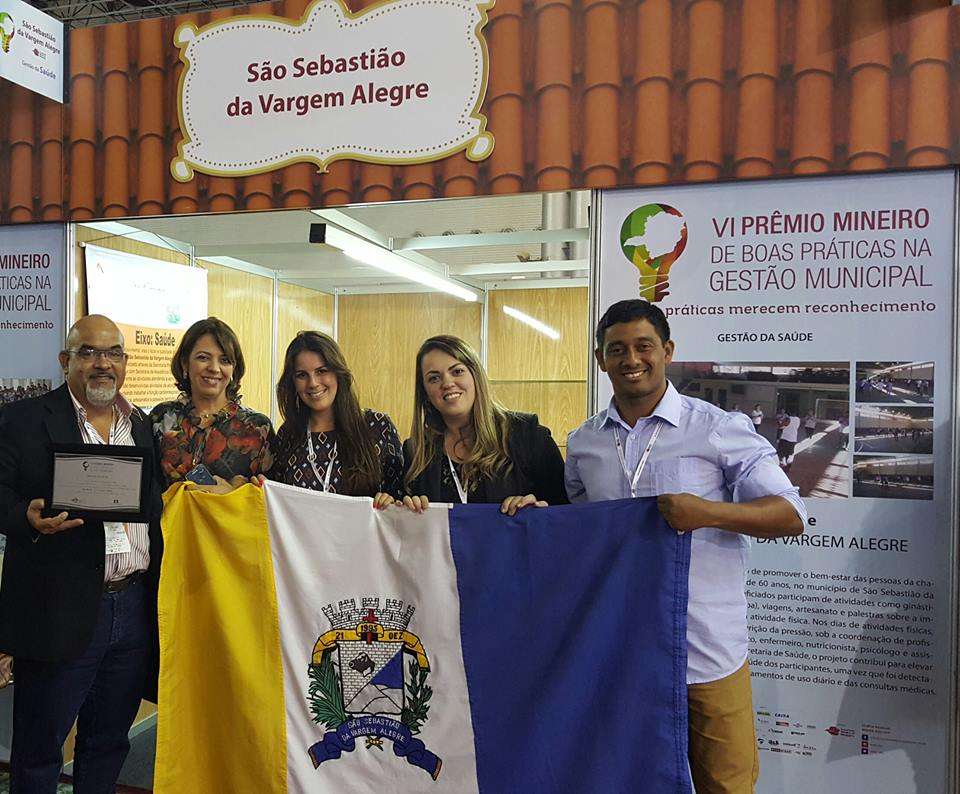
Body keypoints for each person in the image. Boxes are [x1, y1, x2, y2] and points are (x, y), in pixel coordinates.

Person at [565, 300, 805, 794]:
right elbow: (578, 528)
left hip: (706, 653)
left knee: (726, 785)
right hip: (623, 655)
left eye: (644, 346)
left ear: (667, 351)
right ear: (600, 359)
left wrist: (709, 513)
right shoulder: (584, 443)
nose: (631, 359)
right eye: (617, 349)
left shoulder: (716, 428)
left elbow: (790, 515)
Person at [0, 315, 163, 791]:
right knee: (39, 749)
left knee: (108, 743)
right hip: (58, 608)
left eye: (113, 353)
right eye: (88, 352)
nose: (102, 363)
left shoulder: (141, 424)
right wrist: (23, 516)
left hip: (132, 607)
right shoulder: (24, 419)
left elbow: (151, 501)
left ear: (125, 363)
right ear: (65, 360)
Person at [402, 335, 566, 514]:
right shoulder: (415, 451)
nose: (447, 383)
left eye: (457, 371)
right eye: (434, 378)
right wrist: (410, 511)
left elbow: (566, 512)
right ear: (425, 392)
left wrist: (539, 509)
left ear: (476, 376)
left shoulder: (529, 435)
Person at [268, 331, 403, 507]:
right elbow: (277, 502)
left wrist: (392, 501)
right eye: (302, 375)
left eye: (321, 371)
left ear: (338, 372)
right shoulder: (288, 434)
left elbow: (401, 495)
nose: (313, 383)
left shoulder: (377, 426)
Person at [150, 317, 273, 490]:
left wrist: (232, 493)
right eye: (203, 358)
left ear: (233, 368)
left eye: (225, 360)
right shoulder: (161, 417)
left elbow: (271, 499)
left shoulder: (257, 428)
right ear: (185, 363)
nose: (214, 368)